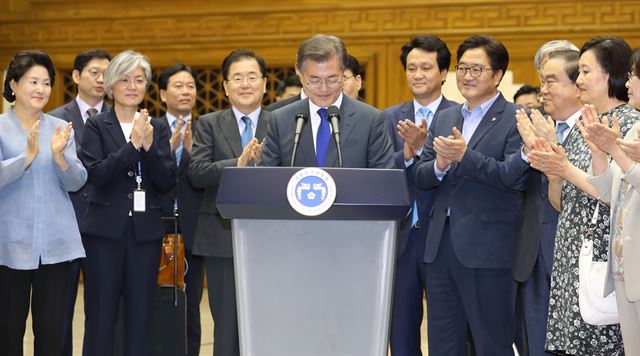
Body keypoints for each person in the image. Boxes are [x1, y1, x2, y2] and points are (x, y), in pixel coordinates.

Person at [413, 35, 526, 355]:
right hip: (440, 249)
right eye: (463, 68)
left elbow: (512, 177)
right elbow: (421, 177)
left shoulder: (517, 118)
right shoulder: (446, 117)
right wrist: (439, 163)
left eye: (477, 68)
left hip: (488, 250)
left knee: (492, 342)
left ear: (498, 75)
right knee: (443, 344)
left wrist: (465, 157)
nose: (467, 75)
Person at [527, 36, 636, 355]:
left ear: (610, 74)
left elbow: (616, 195)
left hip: (603, 255)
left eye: (586, 71)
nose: (580, 80)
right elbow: (564, 204)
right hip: (571, 253)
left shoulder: (629, 123)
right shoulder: (584, 125)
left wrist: (565, 167)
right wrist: (553, 175)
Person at [80, 50, 177, 356]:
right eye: (124, 79)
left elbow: (166, 180)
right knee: (100, 315)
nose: (132, 86)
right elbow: (96, 174)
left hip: (145, 234)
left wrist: (148, 147)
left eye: (139, 80)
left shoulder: (158, 127)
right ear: (110, 85)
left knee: (141, 315)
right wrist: (132, 146)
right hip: (104, 235)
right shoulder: (96, 125)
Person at [0, 50, 87, 356]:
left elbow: (77, 182)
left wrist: (60, 157)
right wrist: (26, 157)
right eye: (32, 81)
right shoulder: (0, 127)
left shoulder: (61, 128)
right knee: (7, 331)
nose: (41, 89)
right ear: (13, 85)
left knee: (52, 333)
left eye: (46, 83)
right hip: (10, 246)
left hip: (56, 246)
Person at [188, 49, 271, 356]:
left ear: (264, 83)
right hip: (220, 235)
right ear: (224, 86)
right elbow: (196, 173)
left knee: (266, 318)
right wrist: (236, 164)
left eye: (252, 77)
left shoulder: (281, 123)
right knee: (226, 325)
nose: (245, 84)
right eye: (237, 78)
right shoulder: (209, 123)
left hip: (270, 236)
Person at [382, 34, 457, 356]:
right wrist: (409, 153)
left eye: (426, 67)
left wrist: (425, 148)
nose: (418, 74)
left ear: (443, 73)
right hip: (400, 237)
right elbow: (382, 170)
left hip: (446, 236)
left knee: (448, 327)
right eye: (411, 68)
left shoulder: (459, 116)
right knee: (400, 326)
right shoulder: (386, 118)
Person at [507, 48, 581, 356]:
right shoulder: (533, 126)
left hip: (577, 263)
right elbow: (511, 181)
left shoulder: (596, 129)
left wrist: (553, 149)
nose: (543, 90)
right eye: (541, 81)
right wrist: (529, 151)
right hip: (532, 256)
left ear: (578, 86)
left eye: (551, 81)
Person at [48, 48, 112, 356]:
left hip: (106, 226)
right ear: (76, 76)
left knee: (101, 309)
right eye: (94, 72)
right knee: (59, 310)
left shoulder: (120, 117)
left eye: (107, 74)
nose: (102, 79)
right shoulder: (55, 120)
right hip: (66, 223)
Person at [261, 34, 394, 168]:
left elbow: (383, 181)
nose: (323, 88)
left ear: (343, 73)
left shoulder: (370, 120)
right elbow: (267, 179)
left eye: (332, 79)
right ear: (299, 74)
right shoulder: (280, 120)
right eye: (314, 80)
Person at [156, 63, 205, 356]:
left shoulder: (205, 130)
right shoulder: (150, 129)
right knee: (155, 299)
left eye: (190, 86)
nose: (186, 91)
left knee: (190, 301)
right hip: (156, 226)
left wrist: (190, 153)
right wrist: (167, 150)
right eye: (178, 85)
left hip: (192, 226)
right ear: (162, 94)